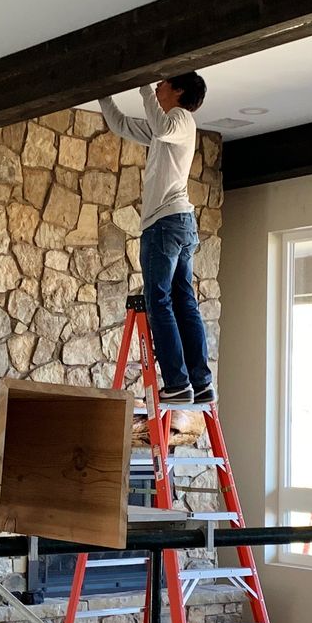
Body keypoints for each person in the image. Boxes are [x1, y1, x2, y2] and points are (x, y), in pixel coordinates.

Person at [97, 75, 213, 405]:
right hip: (178, 223)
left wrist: (143, 85)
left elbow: (161, 127)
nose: (158, 87)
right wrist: (103, 96)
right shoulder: (169, 128)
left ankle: (177, 382)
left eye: (163, 83)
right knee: (182, 301)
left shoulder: (179, 119)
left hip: (164, 223)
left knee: (158, 301)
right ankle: (199, 381)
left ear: (178, 90)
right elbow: (121, 125)